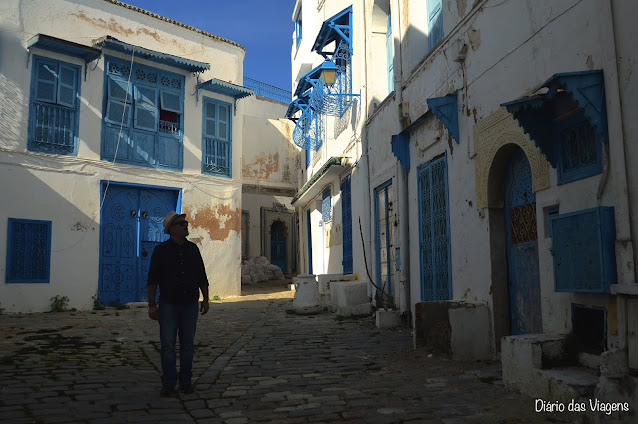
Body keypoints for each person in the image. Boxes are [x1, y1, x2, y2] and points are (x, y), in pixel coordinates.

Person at [147, 211, 209, 397]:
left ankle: (186, 381)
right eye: (182, 224)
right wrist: (152, 304)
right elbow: (152, 279)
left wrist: (205, 298)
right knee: (167, 345)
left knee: (187, 345)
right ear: (172, 229)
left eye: (185, 223)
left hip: (189, 304)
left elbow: (201, 275)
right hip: (168, 305)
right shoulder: (161, 251)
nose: (186, 226)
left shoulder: (193, 249)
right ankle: (168, 382)